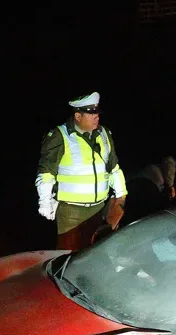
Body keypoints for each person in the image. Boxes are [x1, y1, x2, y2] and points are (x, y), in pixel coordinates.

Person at [35, 92, 129, 250]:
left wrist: (121, 195)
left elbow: (114, 168)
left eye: (97, 113)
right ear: (78, 116)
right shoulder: (60, 136)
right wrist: (45, 202)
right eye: (91, 113)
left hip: (100, 210)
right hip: (71, 213)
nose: (97, 117)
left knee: (96, 253)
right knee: (69, 255)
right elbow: (46, 173)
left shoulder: (104, 133)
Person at [120, 156, 176, 227]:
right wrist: (171, 186)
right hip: (145, 185)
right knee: (141, 211)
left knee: (132, 210)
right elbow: (169, 171)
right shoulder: (167, 163)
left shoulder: (154, 168)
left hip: (135, 184)